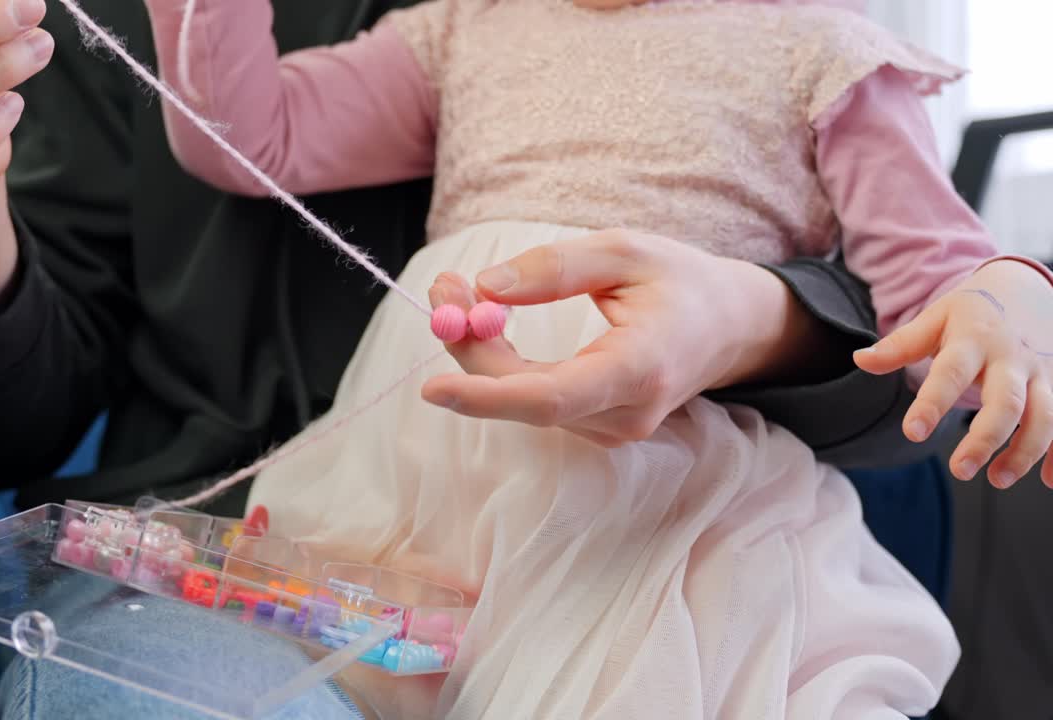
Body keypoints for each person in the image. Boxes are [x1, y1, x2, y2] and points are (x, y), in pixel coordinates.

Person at [0, 0, 954, 717]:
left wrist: (758, 317)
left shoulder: (811, 52)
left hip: (639, 523)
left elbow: (918, 324)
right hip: (268, 552)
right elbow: (9, 414)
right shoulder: (460, 33)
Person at [144, 0, 1053, 715]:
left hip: (646, 486)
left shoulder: (825, 53)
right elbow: (250, 136)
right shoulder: (462, 28)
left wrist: (1004, 294)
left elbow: (931, 280)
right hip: (424, 473)